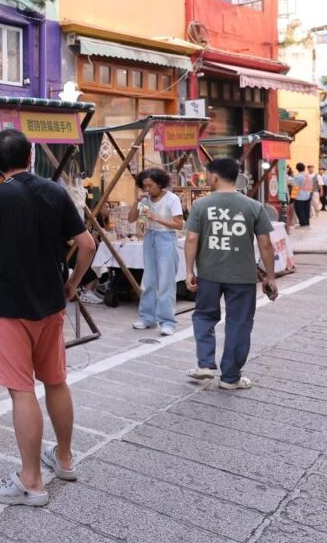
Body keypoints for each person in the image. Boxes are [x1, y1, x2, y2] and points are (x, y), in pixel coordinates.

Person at [0, 128, 96, 507]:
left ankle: (31, 481)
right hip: (52, 301)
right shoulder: (54, 191)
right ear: (30, 157)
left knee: (22, 391)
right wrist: (73, 283)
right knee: (56, 381)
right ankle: (64, 460)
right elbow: (87, 244)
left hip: (10, 307)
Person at [185, 158, 278, 390]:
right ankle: (230, 378)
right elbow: (266, 244)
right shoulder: (253, 206)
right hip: (242, 277)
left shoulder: (200, 205)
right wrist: (270, 276)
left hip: (208, 274)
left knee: (204, 316)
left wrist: (188, 271)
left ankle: (205, 363)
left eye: (207, 175)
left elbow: (191, 239)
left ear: (214, 177)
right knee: (239, 323)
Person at [128, 168, 184, 336]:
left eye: (150, 185)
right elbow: (131, 219)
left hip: (166, 238)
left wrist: (156, 217)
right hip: (149, 237)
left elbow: (179, 224)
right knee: (149, 279)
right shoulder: (145, 199)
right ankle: (147, 318)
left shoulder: (172, 199)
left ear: (160, 183)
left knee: (166, 281)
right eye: (144, 186)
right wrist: (136, 202)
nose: (147, 189)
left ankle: (168, 322)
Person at [292, 162, 313, 227]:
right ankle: (307, 223)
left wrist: (292, 197)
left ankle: (303, 223)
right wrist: (310, 194)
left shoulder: (297, 176)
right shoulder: (309, 176)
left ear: (297, 168)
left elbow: (295, 187)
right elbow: (311, 186)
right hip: (308, 195)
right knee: (306, 210)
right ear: (304, 168)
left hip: (299, 196)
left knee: (299, 210)